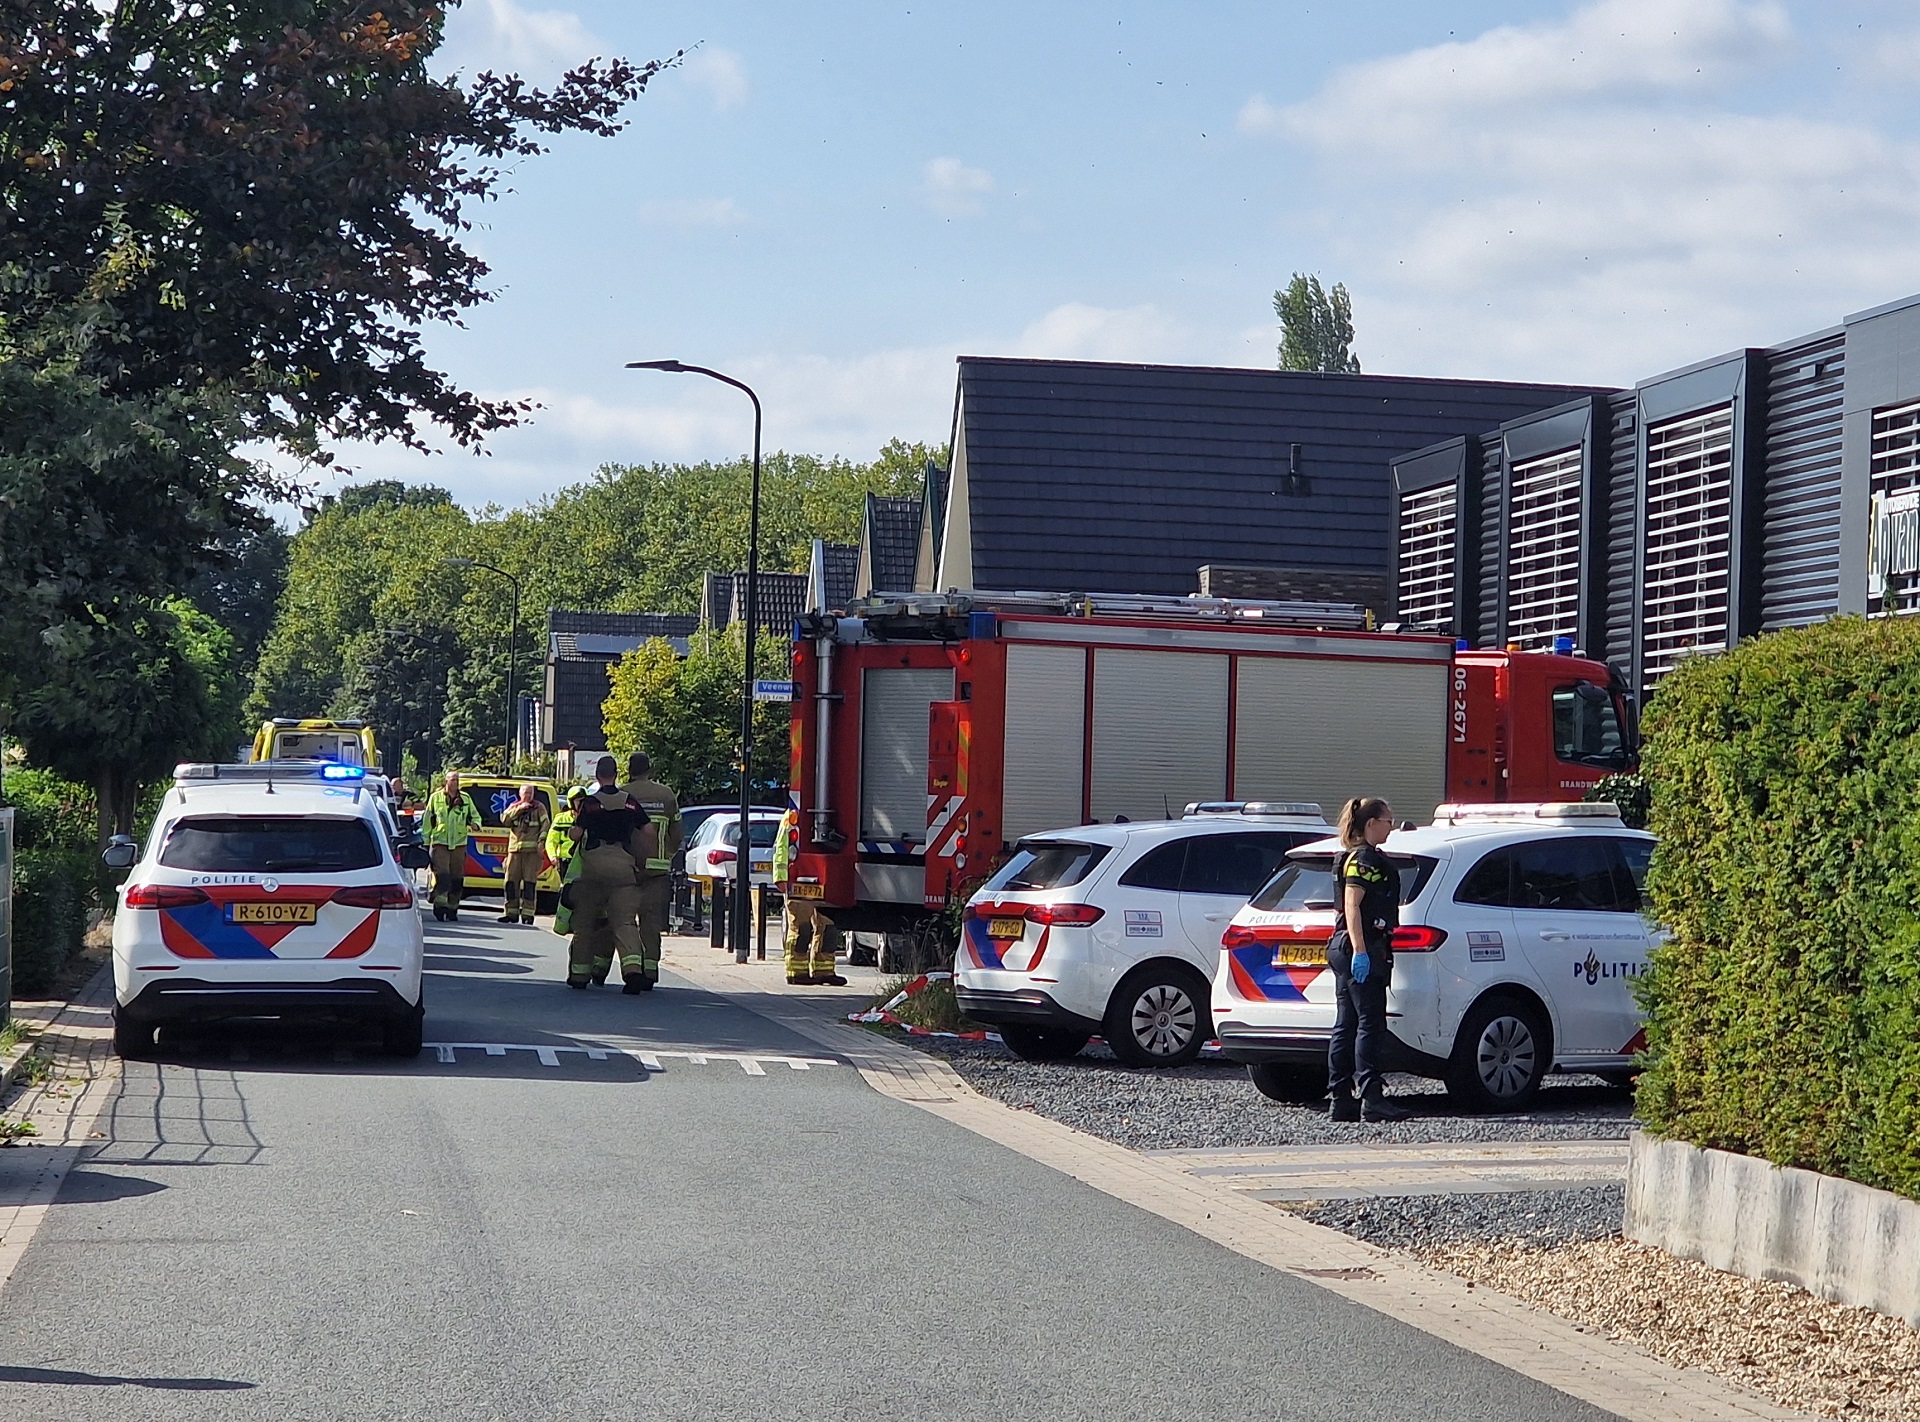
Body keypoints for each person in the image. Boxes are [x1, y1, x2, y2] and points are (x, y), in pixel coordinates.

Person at [1325, 796, 1411, 1124]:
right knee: (1369, 1024)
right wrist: (1361, 950)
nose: (1393, 825)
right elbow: (1353, 905)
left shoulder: (1356, 856)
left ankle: (1341, 1100)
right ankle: (1371, 1098)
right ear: (1371, 823)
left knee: (1347, 1024)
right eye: (1388, 820)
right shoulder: (1363, 859)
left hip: (1345, 946)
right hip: (1358, 948)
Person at [566, 756, 655, 993]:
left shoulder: (591, 803)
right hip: (623, 867)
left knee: (585, 922)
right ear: (616, 774)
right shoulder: (629, 802)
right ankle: (633, 970)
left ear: (597, 775)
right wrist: (641, 858)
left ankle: (579, 975)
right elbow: (648, 829)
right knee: (625, 922)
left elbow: (576, 834)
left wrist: (573, 830)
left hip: (594, 867)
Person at [619, 752, 683, 984]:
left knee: (625, 920)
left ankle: (632, 966)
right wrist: (667, 854)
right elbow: (677, 833)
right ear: (650, 769)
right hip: (657, 870)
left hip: (628, 868)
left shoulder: (623, 794)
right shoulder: (666, 795)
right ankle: (650, 969)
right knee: (651, 921)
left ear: (629, 769)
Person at [772, 804, 844, 986]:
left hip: (820, 879)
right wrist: (781, 879)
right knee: (801, 927)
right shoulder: (792, 817)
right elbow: (781, 848)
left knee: (828, 927)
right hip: (798, 877)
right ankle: (796, 971)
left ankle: (824, 970)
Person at [422, 772, 483, 922]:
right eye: (452, 780)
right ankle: (439, 907)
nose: (455, 782)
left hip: (458, 844)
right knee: (443, 876)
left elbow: (475, 815)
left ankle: (452, 908)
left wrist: (476, 824)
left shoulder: (465, 799)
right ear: (446, 781)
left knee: (457, 879)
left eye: (457, 780)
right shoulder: (435, 798)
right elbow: (428, 820)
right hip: (440, 843)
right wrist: (425, 842)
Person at [498, 783, 552, 925]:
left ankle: (528, 915)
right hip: (514, 851)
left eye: (530, 793)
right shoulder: (514, 806)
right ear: (520, 794)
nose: (528, 796)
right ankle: (511, 913)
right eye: (525, 793)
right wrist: (519, 809)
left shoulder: (539, 807)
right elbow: (504, 820)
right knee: (510, 883)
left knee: (529, 884)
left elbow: (546, 824)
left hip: (532, 852)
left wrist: (541, 841)